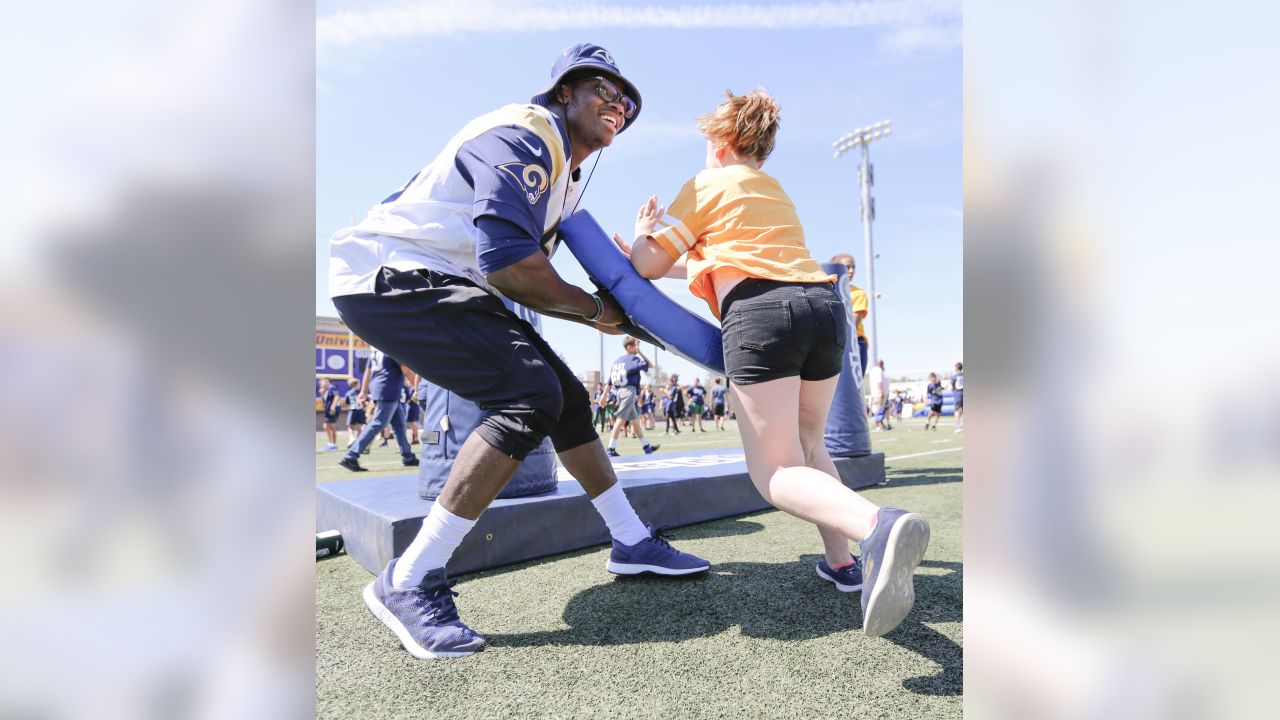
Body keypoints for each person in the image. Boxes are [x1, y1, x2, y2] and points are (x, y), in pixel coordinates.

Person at [327, 43, 708, 659]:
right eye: (602, 89)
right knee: (528, 394)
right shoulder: (525, 134)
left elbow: (535, 270)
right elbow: (510, 267)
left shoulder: (563, 173)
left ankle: (631, 539)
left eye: (627, 99)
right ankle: (410, 577)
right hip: (392, 275)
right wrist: (595, 312)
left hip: (444, 279)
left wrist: (616, 290)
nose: (619, 102)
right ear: (564, 93)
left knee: (569, 400)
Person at [618, 89, 929, 636]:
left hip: (763, 315)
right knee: (811, 446)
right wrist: (666, 252)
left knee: (775, 471)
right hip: (821, 308)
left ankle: (877, 526)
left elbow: (646, 264)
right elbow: (714, 262)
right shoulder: (770, 189)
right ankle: (843, 565)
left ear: (719, 140)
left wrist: (646, 234)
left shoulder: (704, 185)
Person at [339, 348, 419, 469]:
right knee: (379, 423)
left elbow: (367, 371)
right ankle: (351, 455)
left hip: (382, 387)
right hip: (389, 388)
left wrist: (364, 391)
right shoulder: (392, 345)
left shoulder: (378, 346)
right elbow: (406, 371)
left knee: (399, 424)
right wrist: (419, 389)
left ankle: (407, 455)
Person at [605, 336, 660, 456]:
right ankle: (610, 449)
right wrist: (639, 351)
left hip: (620, 391)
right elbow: (650, 365)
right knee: (620, 420)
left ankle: (646, 447)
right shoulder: (633, 359)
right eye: (635, 345)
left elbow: (609, 380)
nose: (637, 348)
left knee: (635, 422)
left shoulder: (618, 361)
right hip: (628, 392)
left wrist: (604, 396)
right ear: (629, 347)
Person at [829, 253, 870, 376]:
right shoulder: (826, 291)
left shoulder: (858, 293)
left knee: (852, 390)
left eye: (854, 267)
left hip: (854, 343)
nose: (851, 270)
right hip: (833, 343)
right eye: (847, 267)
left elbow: (852, 326)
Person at [868, 359, 891, 431]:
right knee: (879, 410)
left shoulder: (873, 371)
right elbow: (879, 382)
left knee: (878, 410)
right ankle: (879, 426)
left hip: (876, 393)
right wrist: (881, 392)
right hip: (879, 394)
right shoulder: (878, 370)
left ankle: (881, 425)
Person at [344, 377, 366, 449]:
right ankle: (359, 441)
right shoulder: (361, 393)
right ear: (356, 384)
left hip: (352, 410)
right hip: (360, 410)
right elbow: (365, 401)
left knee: (350, 426)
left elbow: (346, 403)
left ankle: (351, 438)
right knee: (360, 426)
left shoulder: (349, 393)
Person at [319, 378, 340, 451]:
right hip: (328, 409)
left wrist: (333, 406)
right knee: (329, 426)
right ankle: (331, 444)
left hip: (332, 409)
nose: (321, 385)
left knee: (328, 426)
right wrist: (322, 392)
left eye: (322, 383)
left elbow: (336, 396)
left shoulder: (331, 387)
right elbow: (325, 400)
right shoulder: (326, 390)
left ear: (327, 382)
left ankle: (332, 444)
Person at [951, 361, 964, 432]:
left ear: (956, 368)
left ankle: (958, 426)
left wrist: (953, 390)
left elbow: (952, 385)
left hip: (958, 393)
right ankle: (962, 423)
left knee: (956, 410)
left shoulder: (954, 376)